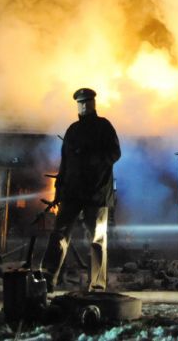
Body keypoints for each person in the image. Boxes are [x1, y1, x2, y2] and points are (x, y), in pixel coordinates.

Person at [41, 88, 120, 292]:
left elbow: (114, 153)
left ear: (94, 103)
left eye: (87, 102)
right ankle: (46, 279)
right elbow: (65, 163)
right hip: (73, 193)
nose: (84, 106)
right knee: (59, 234)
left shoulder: (104, 127)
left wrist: (92, 159)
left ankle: (97, 287)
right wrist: (59, 189)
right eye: (81, 103)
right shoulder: (72, 130)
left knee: (97, 240)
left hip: (96, 194)